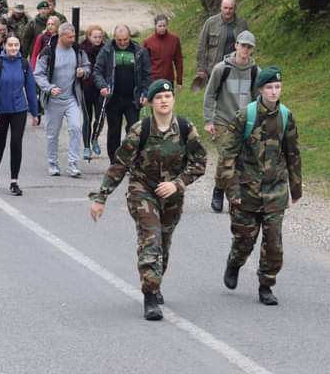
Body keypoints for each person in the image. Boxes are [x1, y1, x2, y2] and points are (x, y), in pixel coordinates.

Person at [89, 80, 207, 320]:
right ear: (151, 102)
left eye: (168, 96)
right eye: (159, 97)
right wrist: (101, 197)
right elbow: (120, 164)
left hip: (172, 195)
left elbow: (199, 163)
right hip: (142, 190)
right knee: (150, 238)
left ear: (173, 100)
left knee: (164, 242)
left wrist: (177, 183)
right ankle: (150, 296)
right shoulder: (139, 130)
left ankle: (156, 281)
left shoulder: (185, 128)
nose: (164, 100)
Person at [217, 66, 301, 306]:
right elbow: (227, 155)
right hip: (246, 190)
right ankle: (235, 262)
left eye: (277, 87)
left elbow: (293, 153)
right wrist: (231, 189)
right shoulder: (246, 116)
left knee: (273, 241)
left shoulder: (285, 116)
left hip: (275, 190)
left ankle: (266, 284)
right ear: (261, 90)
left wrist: (295, 189)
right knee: (245, 239)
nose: (274, 92)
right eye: (269, 87)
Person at [203, 30, 259, 213]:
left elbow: (259, 99)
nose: (245, 49)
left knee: (239, 159)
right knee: (228, 158)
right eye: (243, 45)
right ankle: (232, 196)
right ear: (236, 45)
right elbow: (210, 94)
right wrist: (208, 120)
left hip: (245, 123)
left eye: (249, 47)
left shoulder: (255, 71)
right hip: (223, 121)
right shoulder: (222, 69)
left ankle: (219, 187)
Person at [34, 23, 92, 178]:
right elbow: (38, 74)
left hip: (72, 97)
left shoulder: (78, 51)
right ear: (61, 36)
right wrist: (49, 88)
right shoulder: (48, 52)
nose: (73, 39)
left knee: (75, 128)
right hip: (54, 100)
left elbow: (87, 66)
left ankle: (73, 164)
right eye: (70, 37)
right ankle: (53, 163)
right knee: (52, 134)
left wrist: (83, 72)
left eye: (74, 36)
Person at [0, 35, 39, 196]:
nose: (13, 48)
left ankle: (14, 181)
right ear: (4, 46)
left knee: (16, 143)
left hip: (19, 110)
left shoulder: (24, 64)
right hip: (0, 111)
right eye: (10, 45)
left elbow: (30, 89)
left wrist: (35, 113)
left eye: (16, 45)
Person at [93, 24, 152, 165]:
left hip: (132, 98)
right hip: (113, 98)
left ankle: (130, 159)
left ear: (130, 37)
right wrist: (102, 86)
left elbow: (147, 75)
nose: (123, 42)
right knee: (114, 131)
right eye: (119, 40)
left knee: (134, 131)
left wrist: (145, 93)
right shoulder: (107, 50)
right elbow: (97, 72)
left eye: (125, 39)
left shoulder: (139, 51)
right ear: (115, 38)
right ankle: (115, 162)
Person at [194, 0, 249, 89]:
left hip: (235, 69)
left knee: (233, 100)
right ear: (221, 7)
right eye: (225, 8)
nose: (228, 11)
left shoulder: (242, 24)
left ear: (235, 9)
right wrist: (201, 69)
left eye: (231, 8)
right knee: (214, 99)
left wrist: (247, 66)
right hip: (214, 70)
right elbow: (202, 46)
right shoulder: (210, 23)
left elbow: (248, 47)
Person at [80, 24, 107, 161]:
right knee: (87, 118)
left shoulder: (106, 49)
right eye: (95, 37)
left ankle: (95, 138)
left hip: (100, 88)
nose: (98, 39)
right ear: (89, 37)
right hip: (86, 87)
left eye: (100, 37)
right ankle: (86, 146)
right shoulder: (81, 49)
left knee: (100, 117)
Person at [142, 15, 184, 92]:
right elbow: (143, 64)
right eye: (160, 26)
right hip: (153, 80)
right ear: (155, 26)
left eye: (164, 26)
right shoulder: (147, 42)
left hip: (168, 79)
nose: (162, 28)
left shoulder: (174, 40)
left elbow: (178, 61)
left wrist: (179, 81)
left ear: (167, 25)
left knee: (168, 102)